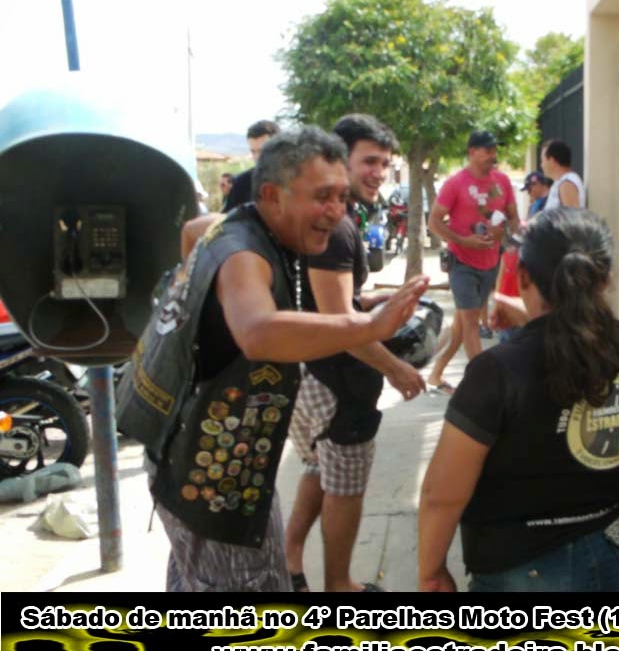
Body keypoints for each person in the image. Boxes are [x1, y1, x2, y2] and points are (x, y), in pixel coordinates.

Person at [117, 126, 429, 591]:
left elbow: (190, 232)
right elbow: (258, 333)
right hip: (209, 471)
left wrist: (197, 305)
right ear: (271, 195)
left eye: (341, 196)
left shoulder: (232, 225)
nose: (335, 211)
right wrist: (369, 328)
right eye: (321, 196)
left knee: (199, 577)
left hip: (195, 452)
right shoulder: (245, 253)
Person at [418, 208, 619, 592]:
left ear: (523, 276)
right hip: (617, 556)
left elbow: (442, 494)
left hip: (521, 566)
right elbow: (566, 345)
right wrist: (531, 319)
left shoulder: (496, 372)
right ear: (606, 277)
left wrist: (431, 571)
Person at [283, 114, 426, 593]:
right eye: (370, 161)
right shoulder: (338, 227)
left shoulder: (328, 219)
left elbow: (332, 303)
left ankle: (290, 558)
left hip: (315, 376)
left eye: (385, 163)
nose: (379, 173)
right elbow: (342, 326)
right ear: (339, 159)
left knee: (318, 469)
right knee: (345, 488)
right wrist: (396, 368)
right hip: (336, 384)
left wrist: (374, 300)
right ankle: (339, 588)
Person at [426, 131, 519, 390]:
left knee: (460, 326)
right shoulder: (455, 183)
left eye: (495, 150)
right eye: (488, 150)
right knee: (471, 324)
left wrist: (504, 232)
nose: (493, 155)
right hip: (462, 263)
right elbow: (433, 222)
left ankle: (435, 375)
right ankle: (484, 385)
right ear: (472, 152)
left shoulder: (502, 181)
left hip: (491, 263)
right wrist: (464, 241)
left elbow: (513, 217)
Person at [223, 119, 281, 212]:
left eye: (262, 151)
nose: (257, 157)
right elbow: (228, 218)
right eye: (253, 151)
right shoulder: (242, 183)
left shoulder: (298, 179)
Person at [541, 139, 585, 209]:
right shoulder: (562, 182)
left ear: (552, 161)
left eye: (542, 161)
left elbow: (573, 214)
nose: (541, 165)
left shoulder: (567, 183)